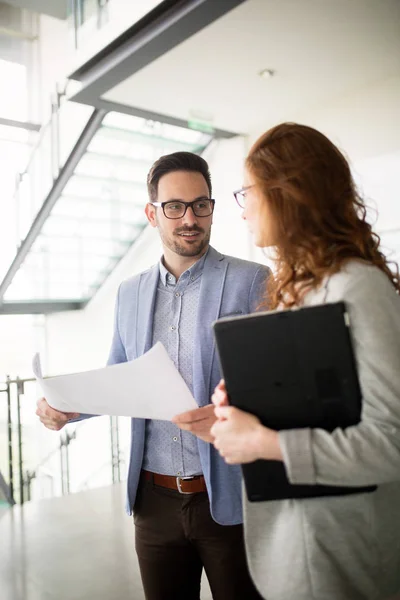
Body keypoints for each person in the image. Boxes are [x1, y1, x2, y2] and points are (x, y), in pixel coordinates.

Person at [36, 151, 269, 600]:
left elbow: (278, 385)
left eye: (201, 205)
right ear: (152, 213)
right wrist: (66, 407)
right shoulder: (129, 292)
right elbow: (117, 378)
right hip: (153, 502)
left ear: (212, 208)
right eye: (175, 206)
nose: (190, 218)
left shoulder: (253, 281)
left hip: (229, 496)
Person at [211, 123, 400, 600]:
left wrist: (263, 441)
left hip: (339, 552)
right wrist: (245, 406)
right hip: (299, 545)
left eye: (247, 192)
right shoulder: (298, 289)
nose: (244, 209)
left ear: (288, 192)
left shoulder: (358, 286)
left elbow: (392, 443)